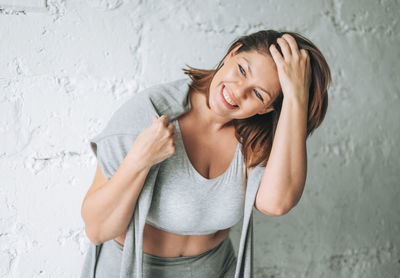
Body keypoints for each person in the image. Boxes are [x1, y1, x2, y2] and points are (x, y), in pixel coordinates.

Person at [81, 29, 331, 277]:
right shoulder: (150, 113)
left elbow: (276, 204)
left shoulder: (255, 139)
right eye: (242, 70)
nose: (238, 90)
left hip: (215, 269)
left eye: (258, 93)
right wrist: (139, 159)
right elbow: (97, 230)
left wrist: (295, 97)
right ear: (233, 53)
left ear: (267, 109)